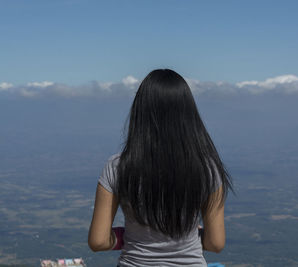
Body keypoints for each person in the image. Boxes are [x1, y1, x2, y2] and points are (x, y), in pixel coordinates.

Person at [88, 69, 232, 267]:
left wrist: (128, 236)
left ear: (140, 112)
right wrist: (189, 234)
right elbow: (215, 243)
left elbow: (98, 241)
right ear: (188, 114)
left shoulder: (117, 166)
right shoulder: (207, 168)